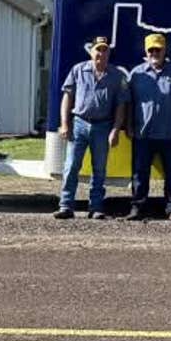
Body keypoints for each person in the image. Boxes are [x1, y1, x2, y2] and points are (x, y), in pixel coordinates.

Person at [55, 36, 127, 220]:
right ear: (91, 51)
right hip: (79, 123)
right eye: (98, 49)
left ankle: (95, 207)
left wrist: (116, 129)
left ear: (109, 53)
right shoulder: (78, 70)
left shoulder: (117, 76)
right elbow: (67, 98)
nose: (101, 54)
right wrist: (65, 123)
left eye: (104, 50)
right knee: (71, 166)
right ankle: (65, 205)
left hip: (103, 126)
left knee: (99, 169)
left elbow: (121, 105)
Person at [125, 33, 171, 222]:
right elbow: (129, 102)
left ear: (165, 50)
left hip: (170, 133)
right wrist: (128, 125)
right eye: (151, 49)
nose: (155, 52)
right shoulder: (137, 74)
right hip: (142, 133)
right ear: (146, 51)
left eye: (158, 49)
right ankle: (137, 208)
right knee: (139, 174)